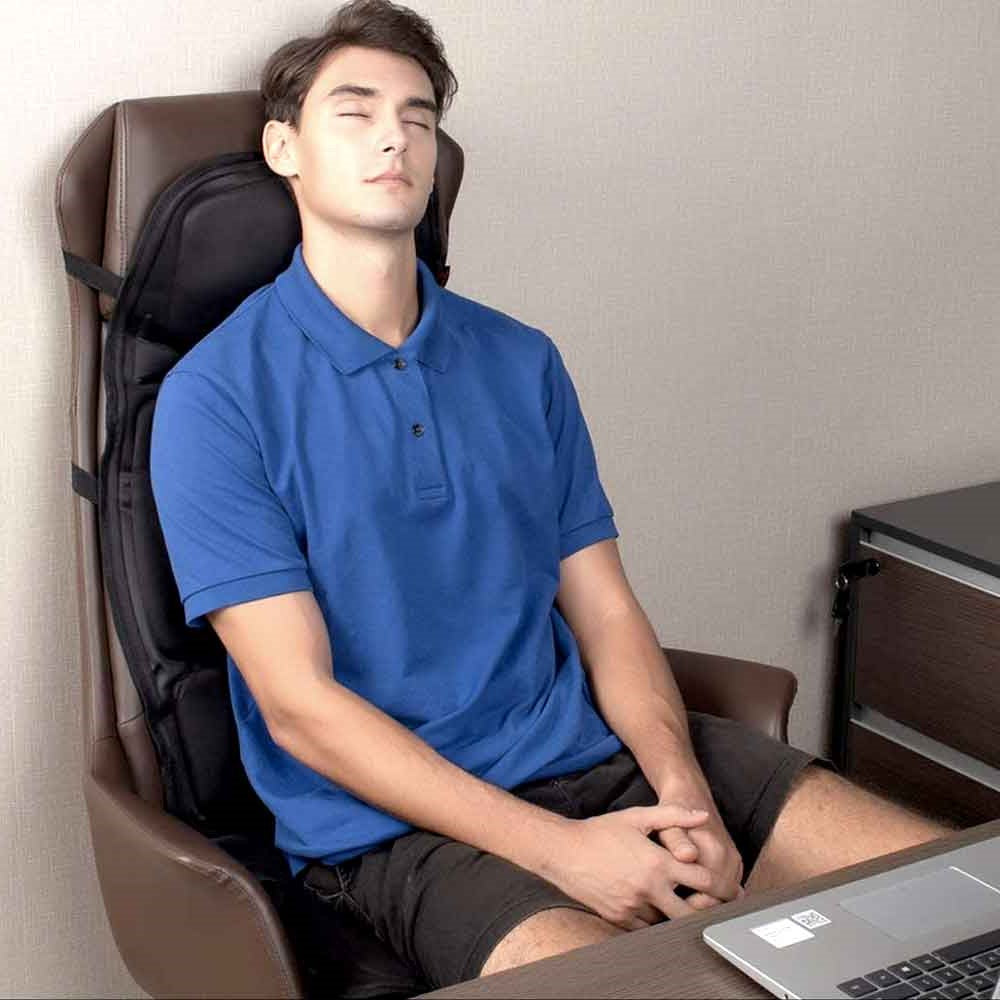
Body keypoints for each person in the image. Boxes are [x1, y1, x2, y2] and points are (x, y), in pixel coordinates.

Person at [149, 0, 951, 993]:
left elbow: (606, 611)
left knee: (953, 898)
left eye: (417, 117)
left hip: (596, 753)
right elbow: (301, 708)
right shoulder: (215, 397)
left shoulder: (521, 360)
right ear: (285, 148)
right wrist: (563, 853)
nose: (394, 137)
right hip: (393, 829)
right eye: (354, 112)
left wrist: (686, 796)